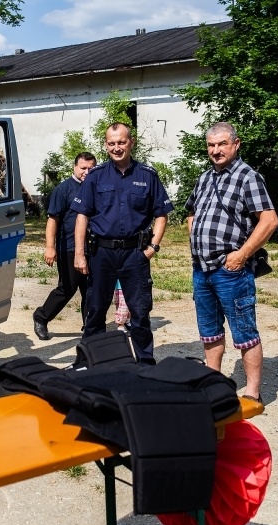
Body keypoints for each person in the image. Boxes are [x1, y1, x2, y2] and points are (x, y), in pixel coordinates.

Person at [185, 122, 278, 403]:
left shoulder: (248, 177)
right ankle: (213, 383)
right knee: (209, 331)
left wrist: (242, 254)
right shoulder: (205, 178)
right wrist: (195, 235)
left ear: (236, 145)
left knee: (244, 332)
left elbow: (269, 220)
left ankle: (252, 392)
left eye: (222, 144)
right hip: (202, 268)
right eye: (211, 145)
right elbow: (190, 212)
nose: (216, 150)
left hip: (231, 271)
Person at [72, 122, 173, 363]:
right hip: (102, 254)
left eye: (121, 142)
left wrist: (152, 247)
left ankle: (145, 364)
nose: (116, 148)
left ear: (131, 142)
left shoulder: (147, 175)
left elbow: (161, 214)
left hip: (134, 254)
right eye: (111, 143)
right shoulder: (96, 176)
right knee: (95, 311)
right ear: (106, 145)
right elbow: (82, 215)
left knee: (140, 312)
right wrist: (79, 253)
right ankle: (89, 364)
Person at [33, 152, 97, 340]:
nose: (87, 172)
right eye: (83, 168)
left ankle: (90, 327)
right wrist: (50, 247)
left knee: (91, 289)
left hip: (93, 247)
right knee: (67, 288)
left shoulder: (96, 188)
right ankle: (41, 317)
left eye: (91, 168)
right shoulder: (63, 189)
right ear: (74, 167)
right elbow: (53, 220)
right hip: (68, 247)